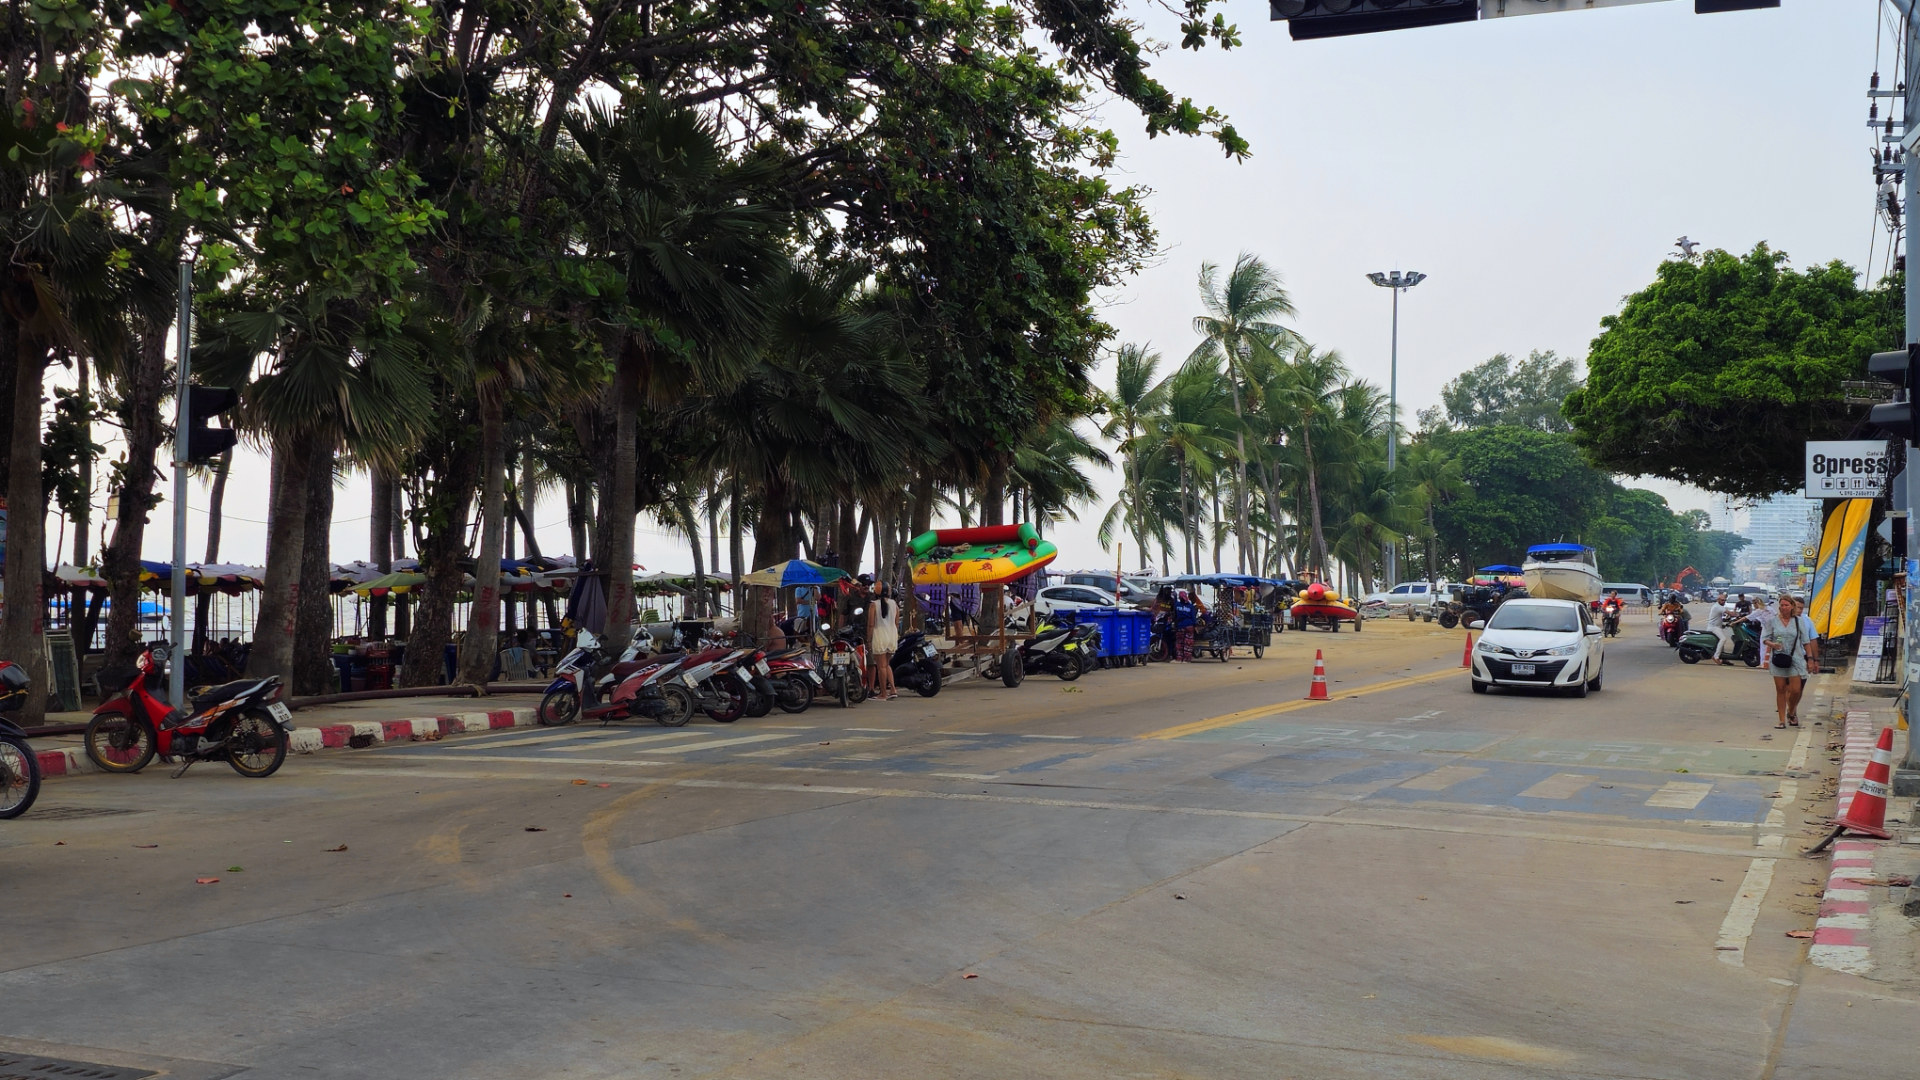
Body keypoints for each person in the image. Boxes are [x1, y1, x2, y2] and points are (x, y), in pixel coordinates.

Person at [1763, 595, 1818, 728]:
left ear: (1792, 606)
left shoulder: (1799, 622)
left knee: (1795, 690)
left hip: (1796, 659)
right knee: (1780, 689)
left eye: (1786, 605)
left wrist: (1811, 659)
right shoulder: (1773, 621)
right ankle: (1781, 720)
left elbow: (1806, 642)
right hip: (1779, 658)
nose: (1783, 608)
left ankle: (1791, 711)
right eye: (1781, 605)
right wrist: (1773, 644)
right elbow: (1765, 638)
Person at [867, 583, 900, 699]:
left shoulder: (873, 605)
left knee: (881, 667)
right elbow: (896, 622)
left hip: (879, 635)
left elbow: (871, 624)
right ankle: (893, 689)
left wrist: (869, 640)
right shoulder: (894, 604)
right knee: (886, 665)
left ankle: (883, 693)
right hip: (891, 635)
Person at [1173, 589, 1198, 662]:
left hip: (1180, 626)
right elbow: (1193, 617)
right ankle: (1186, 659)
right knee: (1188, 643)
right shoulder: (1190, 606)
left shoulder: (1177, 605)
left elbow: (1175, 616)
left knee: (1179, 642)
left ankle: (1179, 658)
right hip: (1189, 626)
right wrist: (1195, 625)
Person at [1709, 601, 1737, 666]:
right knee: (1723, 639)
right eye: (1722, 600)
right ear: (1718, 600)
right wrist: (1738, 615)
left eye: (1724, 600)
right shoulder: (1718, 607)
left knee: (1722, 643)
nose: (1723, 601)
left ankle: (1723, 658)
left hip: (1718, 627)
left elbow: (1723, 617)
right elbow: (1730, 613)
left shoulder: (1719, 607)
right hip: (1713, 627)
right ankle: (1716, 657)